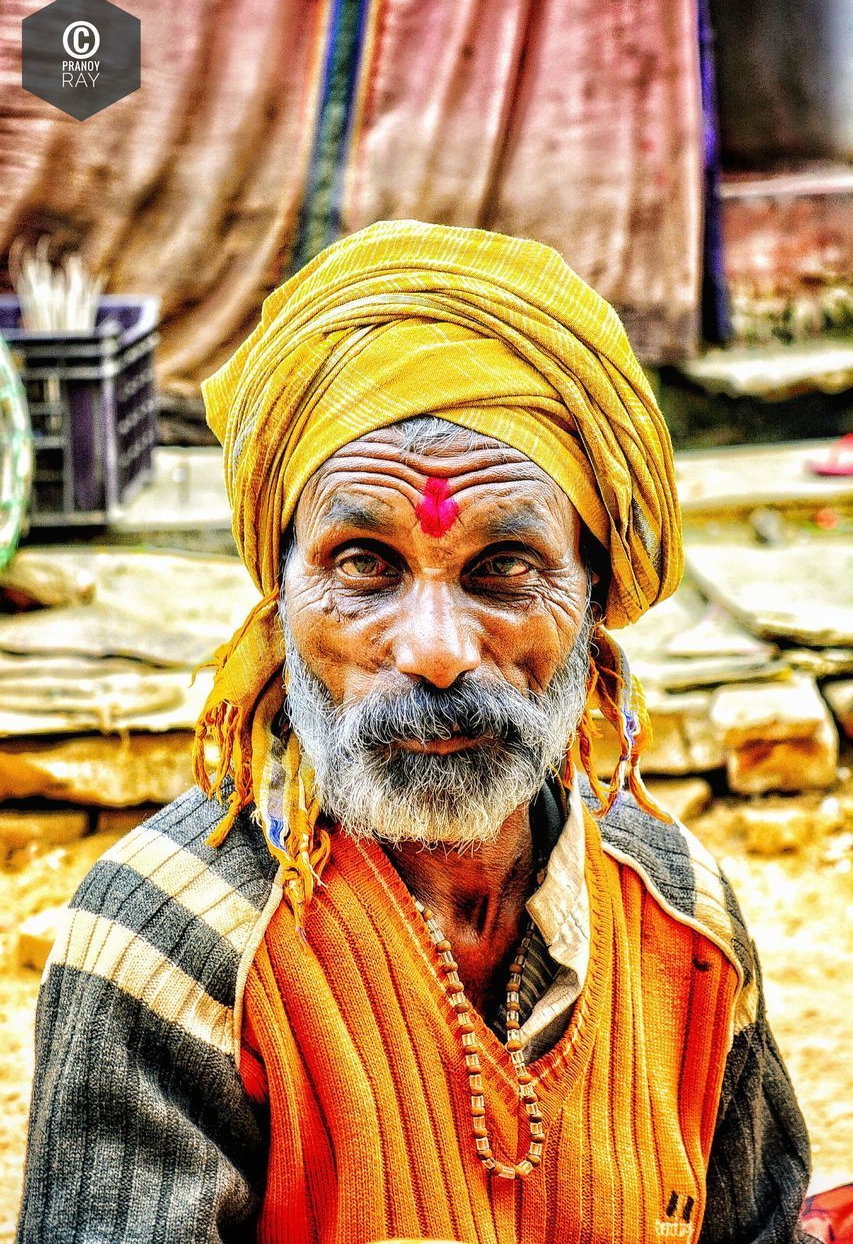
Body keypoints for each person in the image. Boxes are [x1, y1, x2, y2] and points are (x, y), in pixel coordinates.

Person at [17, 220, 814, 1244]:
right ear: (280, 597)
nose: (435, 650)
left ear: (594, 594)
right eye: (362, 563)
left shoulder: (682, 914)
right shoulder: (171, 939)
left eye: (505, 567)